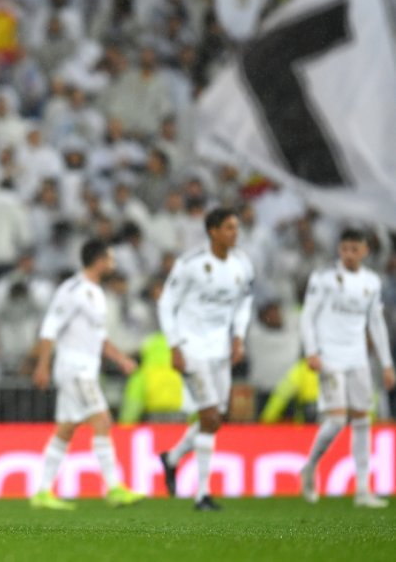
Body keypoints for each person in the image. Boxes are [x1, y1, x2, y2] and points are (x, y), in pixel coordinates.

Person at [29, 239, 144, 510]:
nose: (114, 264)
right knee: (102, 420)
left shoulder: (96, 293)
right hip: (76, 369)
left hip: (83, 368)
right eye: (111, 258)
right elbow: (50, 328)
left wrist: (122, 359)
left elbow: (100, 337)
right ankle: (114, 488)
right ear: (99, 260)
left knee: (66, 430)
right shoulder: (73, 290)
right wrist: (42, 365)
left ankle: (42, 492)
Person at [157, 207, 254, 511]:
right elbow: (166, 304)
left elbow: (244, 302)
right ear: (213, 231)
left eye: (236, 228)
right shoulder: (191, 264)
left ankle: (171, 459)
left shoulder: (242, 264)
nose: (235, 233)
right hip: (192, 348)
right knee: (210, 417)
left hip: (220, 349)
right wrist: (174, 346)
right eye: (229, 228)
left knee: (217, 418)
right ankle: (202, 494)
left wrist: (238, 335)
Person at [298, 228, 396, 509]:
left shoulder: (371, 282)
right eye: (345, 249)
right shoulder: (324, 278)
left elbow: (375, 324)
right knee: (338, 420)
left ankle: (363, 489)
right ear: (339, 250)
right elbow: (307, 315)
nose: (349, 255)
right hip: (329, 357)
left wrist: (387, 363)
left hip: (358, 358)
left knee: (363, 420)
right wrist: (312, 351)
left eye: (355, 250)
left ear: (365, 251)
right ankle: (310, 466)